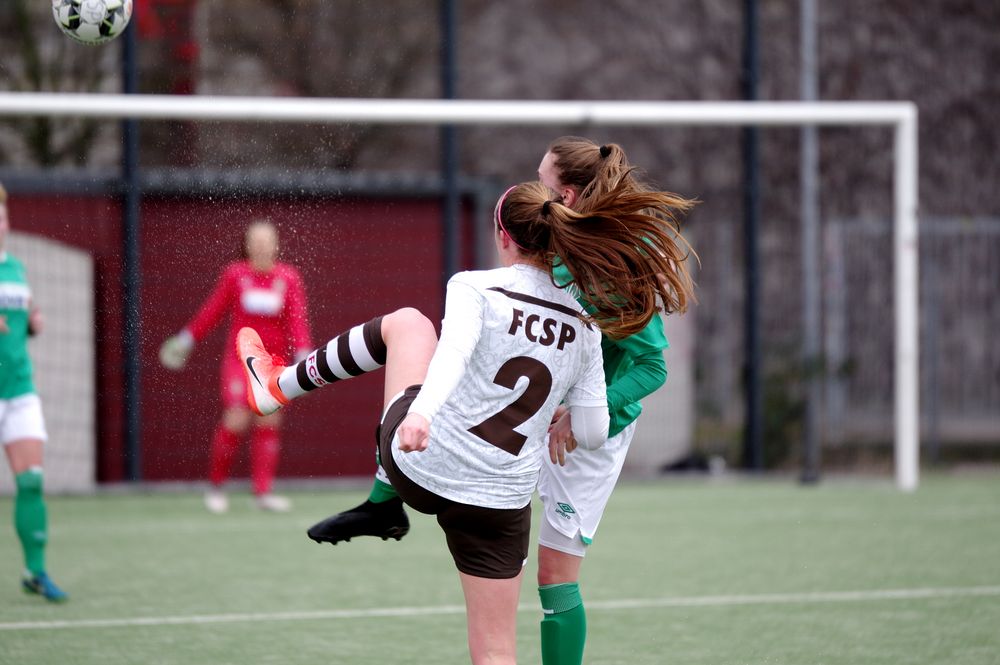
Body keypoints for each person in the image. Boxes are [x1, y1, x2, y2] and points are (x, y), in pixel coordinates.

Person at [235, 180, 691, 664]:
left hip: (423, 466)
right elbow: (596, 430)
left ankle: (279, 385)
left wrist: (422, 413)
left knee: (408, 323)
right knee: (496, 653)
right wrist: (569, 420)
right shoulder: (585, 326)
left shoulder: (475, 285)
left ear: (503, 236)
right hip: (499, 505)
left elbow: (450, 356)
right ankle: (375, 499)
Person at [159, 220, 312, 513]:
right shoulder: (235, 274)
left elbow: (298, 320)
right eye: (256, 241)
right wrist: (186, 339)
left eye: (268, 240)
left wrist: (304, 358)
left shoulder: (289, 278)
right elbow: (212, 311)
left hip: (274, 364)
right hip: (239, 361)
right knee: (237, 418)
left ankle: (262, 493)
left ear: (276, 245)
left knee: (268, 420)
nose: (262, 246)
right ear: (247, 245)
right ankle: (216, 488)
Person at [0, 182, 68, 602]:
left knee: (31, 482)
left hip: (20, 390)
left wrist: (33, 322)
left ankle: (35, 571)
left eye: (2, 218)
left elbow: (20, 322)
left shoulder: (16, 269)